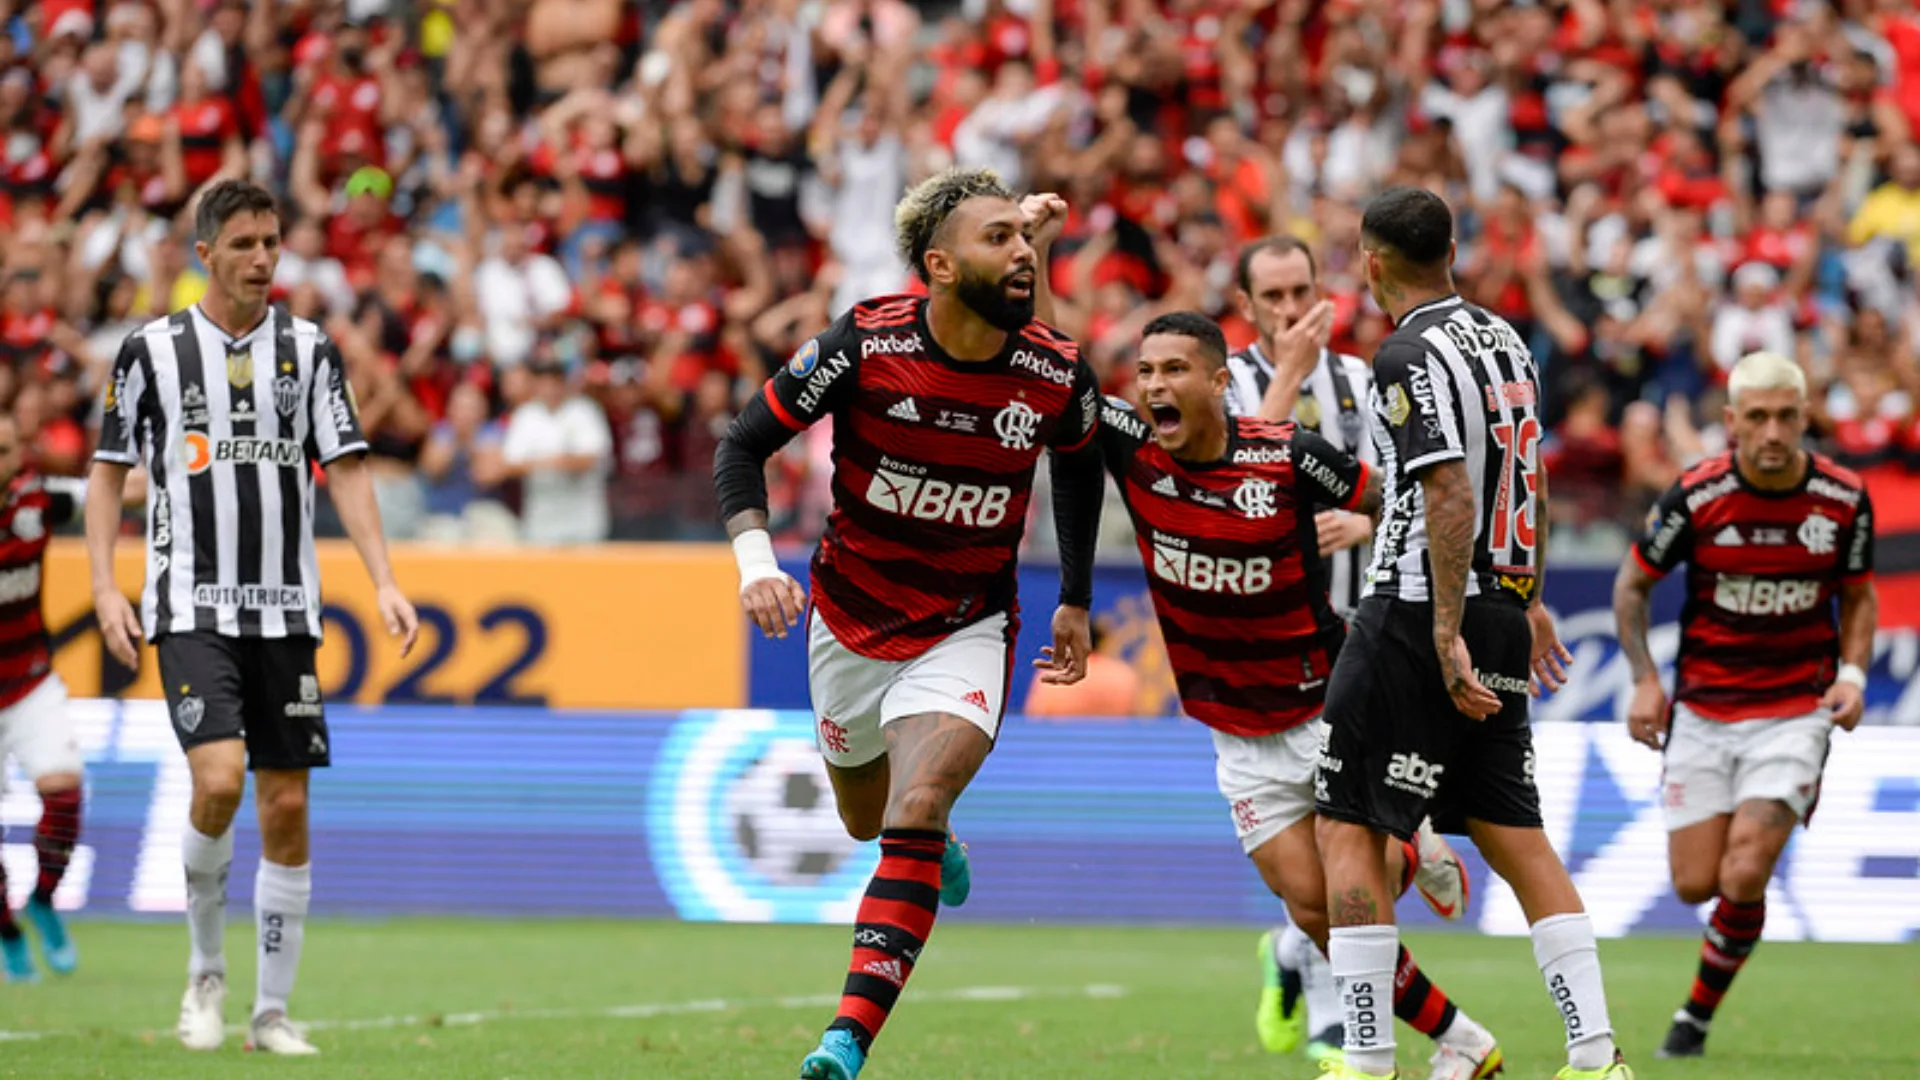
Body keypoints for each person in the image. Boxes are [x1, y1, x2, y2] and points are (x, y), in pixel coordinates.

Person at [711, 166, 1105, 1080]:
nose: (1023, 253)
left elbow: (1081, 465)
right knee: (866, 820)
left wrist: (1076, 596)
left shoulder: (1054, 369)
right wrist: (757, 564)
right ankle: (935, 842)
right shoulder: (865, 344)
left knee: (915, 806)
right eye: (998, 238)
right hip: (849, 617)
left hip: (967, 623)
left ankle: (845, 1038)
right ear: (940, 266)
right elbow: (743, 443)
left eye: (1024, 237)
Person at [1065, 312, 1503, 1080]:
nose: (1156, 385)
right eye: (1146, 371)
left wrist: (1379, 551)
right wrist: (1034, 257)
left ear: (1219, 381)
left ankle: (1378, 1025)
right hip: (1235, 731)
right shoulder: (1132, 449)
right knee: (1311, 907)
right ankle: (1465, 1039)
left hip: (1326, 707)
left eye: (1175, 369)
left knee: (1360, 891)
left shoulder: (1290, 454)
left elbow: (1396, 500)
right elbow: (1054, 370)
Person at [85, 179, 420, 1056]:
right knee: (219, 781)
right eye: (243, 244)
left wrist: (384, 581)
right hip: (190, 605)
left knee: (286, 805)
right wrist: (105, 586)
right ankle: (205, 974)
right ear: (205, 254)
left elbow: (347, 468)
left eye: (270, 241)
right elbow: (107, 472)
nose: (262, 258)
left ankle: (270, 1012)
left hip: (286, 612)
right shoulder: (151, 351)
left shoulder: (310, 350)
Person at [1313, 187, 1632, 1080]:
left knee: (1345, 824)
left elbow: (1450, 491)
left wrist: (1446, 628)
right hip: (1501, 608)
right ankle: (1596, 1055)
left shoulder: (1404, 352)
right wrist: (1524, 598)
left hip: (1419, 609)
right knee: (1513, 832)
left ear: (1372, 262)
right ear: (1452, 251)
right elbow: (1526, 478)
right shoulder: (1505, 340)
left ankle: (1368, 1060)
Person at [1225, 235, 1472, 1064]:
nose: (1291, 308)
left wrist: (1365, 523)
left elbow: (1413, 487)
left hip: (1358, 631)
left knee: (1360, 855)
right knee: (1334, 851)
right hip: (1266, 647)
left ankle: (1301, 954)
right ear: (1246, 304)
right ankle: (1340, 1019)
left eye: (1301, 290)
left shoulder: (1365, 381)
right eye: (1273, 295)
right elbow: (1230, 489)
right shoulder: (1226, 384)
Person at [1613, 350, 1875, 1060]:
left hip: (1795, 709)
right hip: (1703, 710)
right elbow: (1631, 585)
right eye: (1757, 417)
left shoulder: (1843, 498)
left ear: (1806, 415)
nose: (1773, 432)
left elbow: (1859, 596)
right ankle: (1709, 984)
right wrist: (1645, 678)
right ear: (1731, 421)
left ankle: (1693, 1019)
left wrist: (1852, 674)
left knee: (1744, 869)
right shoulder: (1698, 495)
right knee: (1695, 882)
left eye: (1787, 416)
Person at [0, 417, 88, 983]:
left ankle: (43, 899)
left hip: (29, 681)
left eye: (6, 449)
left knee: (65, 791)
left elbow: (114, 491)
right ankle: (7, 932)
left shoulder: (37, 500)